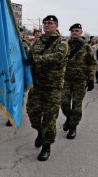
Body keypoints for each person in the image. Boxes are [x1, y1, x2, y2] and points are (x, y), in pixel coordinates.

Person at [24, 15, 68, 161]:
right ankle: (40, 132)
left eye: (50, 23)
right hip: (36, 85)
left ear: (56, 25)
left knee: (49, 118)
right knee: (33, 113)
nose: (47, 25)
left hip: (52, 87)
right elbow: (28, 56)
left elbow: (58, 57)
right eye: (45, 23)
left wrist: (35, 59)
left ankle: (46, 146)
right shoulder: (37, 42)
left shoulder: (61, 42)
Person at [61, 24, 96, 140]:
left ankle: (73, 127)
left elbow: (92, 63)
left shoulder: (86, 47)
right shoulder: (65, 45)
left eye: (77, 31)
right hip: (66, 80)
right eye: (72, 31)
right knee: (64, 103)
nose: (74, 32)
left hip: (80, 81)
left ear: (81, 32)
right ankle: (69, 118)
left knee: (76, 106)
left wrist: (91, 79)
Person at [5, 26, 31, 127]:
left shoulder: (26, 44)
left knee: (19, 94)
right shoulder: (9, 43)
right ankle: (11, 114)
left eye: (19, 32)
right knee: (10, 93)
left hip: (21, 72)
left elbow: (29, 56)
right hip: (11, 71)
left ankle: (15, 114)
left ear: (22, 33)